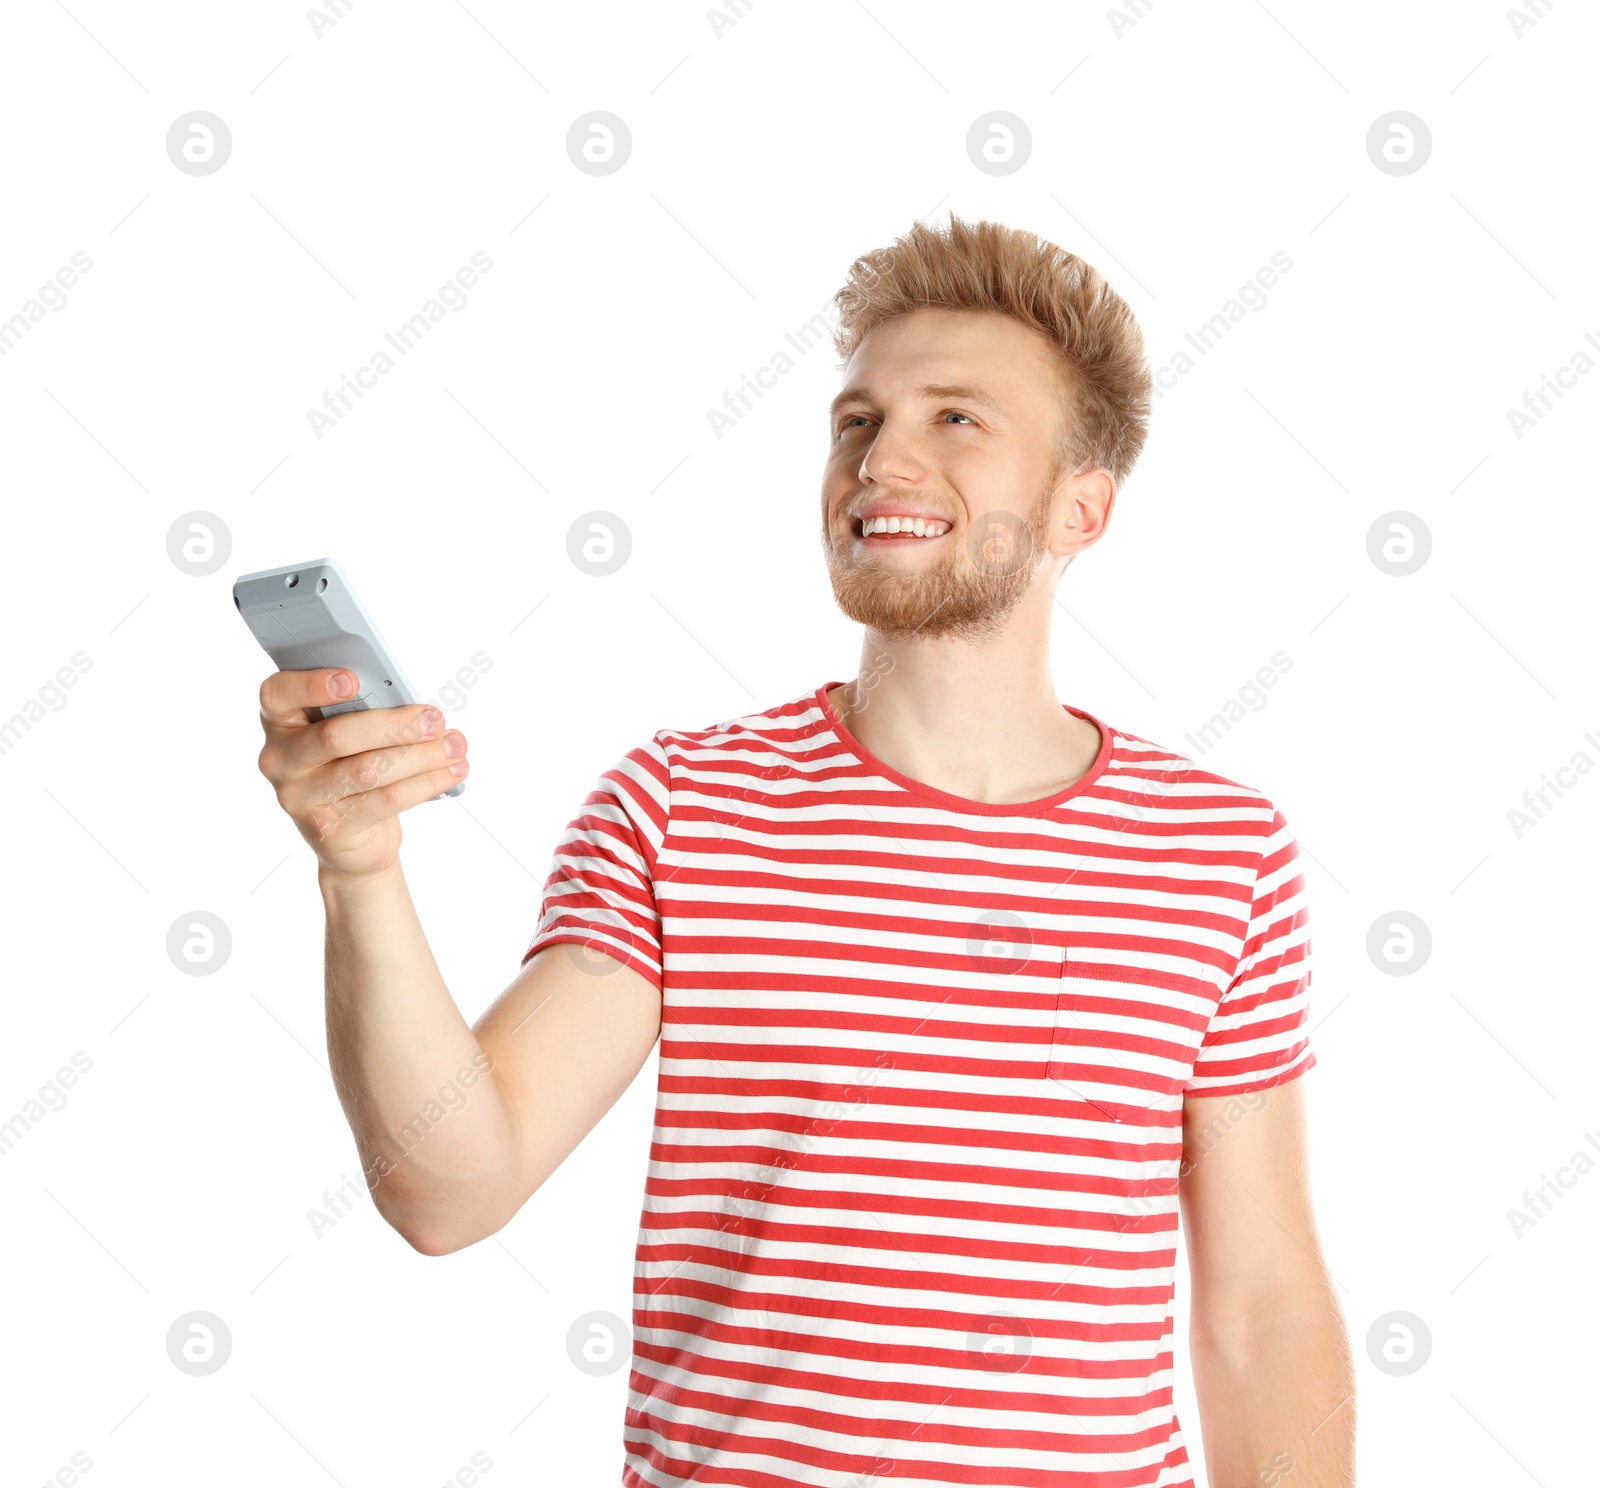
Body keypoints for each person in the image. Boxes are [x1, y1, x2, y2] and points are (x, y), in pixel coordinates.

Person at [255, 213, 1354, 1487]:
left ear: (1081, 506)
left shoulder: (1221, 852)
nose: (880, 456)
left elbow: (1260, 1314)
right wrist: (360, 871)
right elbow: (450, 1189)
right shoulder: (682, 807)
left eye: (955, 419)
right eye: (855, 421)